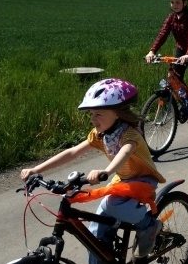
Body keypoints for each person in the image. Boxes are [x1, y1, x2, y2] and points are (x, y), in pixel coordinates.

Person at [20, 79, 166, 263]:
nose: (93, 119)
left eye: (98, 114)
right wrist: (36, 169)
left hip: (143, 178)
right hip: (123, 179)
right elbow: (72, 152)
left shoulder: (130, 134)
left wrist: (106, 171)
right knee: (96, 231)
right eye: (91, 114)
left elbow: (125, 151)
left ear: (118, 113)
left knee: (111, 205)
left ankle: (148, 226)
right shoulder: (100, 134)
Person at [144, 0, 188, 124]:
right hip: (181, 48)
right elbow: (163, 34)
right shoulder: (171, 18)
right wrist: (152, 51)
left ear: (185, 2)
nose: (174, 5)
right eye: (172, 2)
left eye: (178, 2)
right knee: (175, 77)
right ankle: (187, 102)